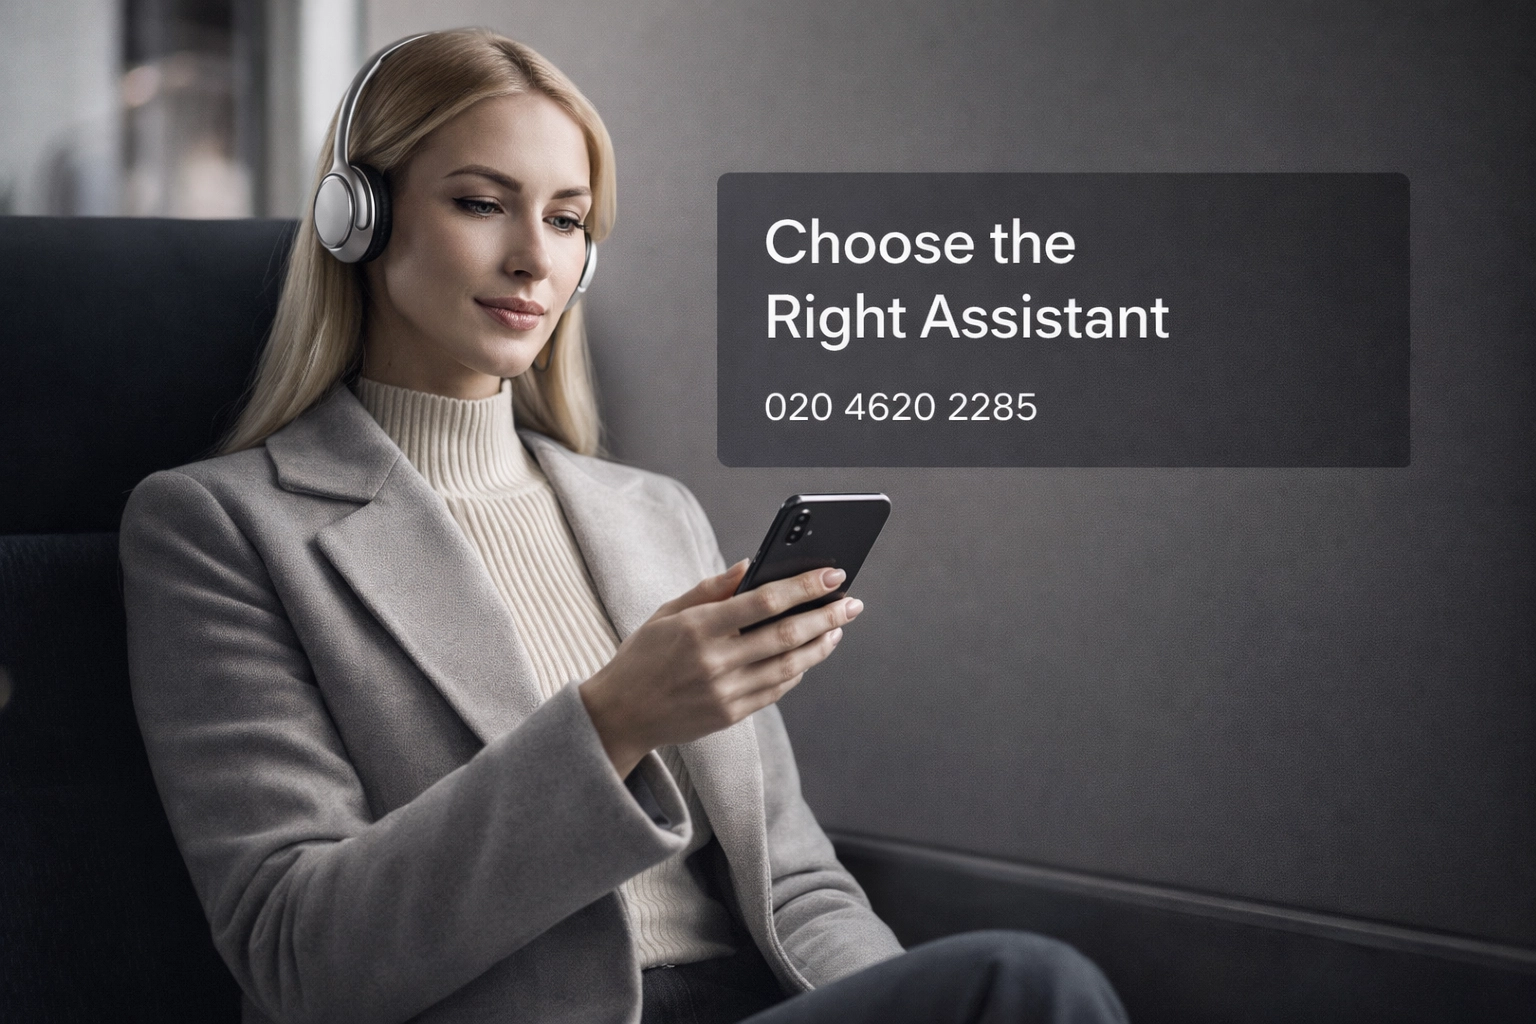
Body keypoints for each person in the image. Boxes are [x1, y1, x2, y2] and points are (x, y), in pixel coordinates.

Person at [118, 27, 1130, 1024]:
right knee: (1025, 982)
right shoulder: (218, 527)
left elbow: (797, 885)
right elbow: (303, 955)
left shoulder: (652, 512)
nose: (534, 259)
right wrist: (614, 720)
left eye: (568, 221)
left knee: (1012, 989)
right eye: (481, 203)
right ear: (358, 219)